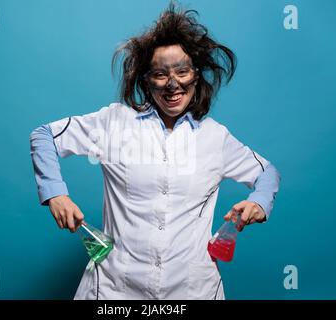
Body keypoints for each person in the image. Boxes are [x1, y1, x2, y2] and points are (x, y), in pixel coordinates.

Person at [30, 2, 280, 300]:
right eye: (160, 74)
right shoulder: (114, 122)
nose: (172, 84)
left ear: (196, 76)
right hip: (115, 292)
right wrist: (55, 192)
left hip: (192, 291)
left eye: (182, 71)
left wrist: (260, 203)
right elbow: (44, 136)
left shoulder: (216, 138)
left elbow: (267, 173)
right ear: (146, 81)